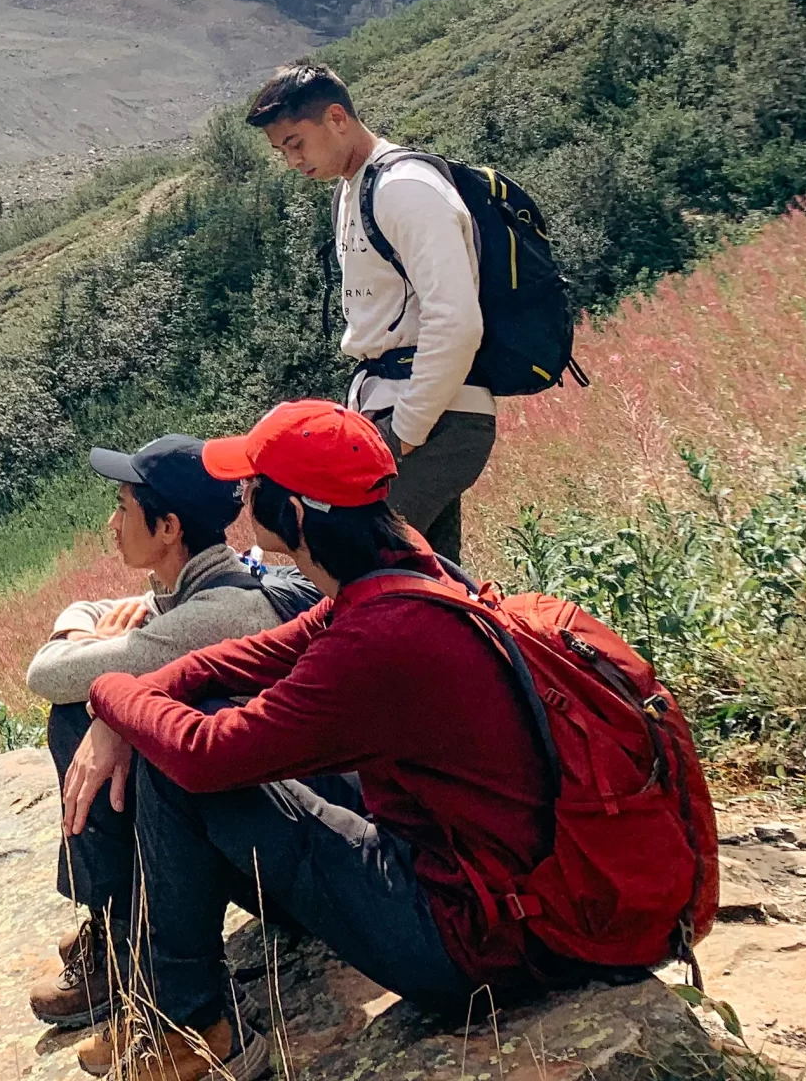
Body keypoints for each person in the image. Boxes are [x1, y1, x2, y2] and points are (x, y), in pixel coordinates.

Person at [62, 402, 573, 1081]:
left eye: (255, 487)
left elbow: (209, 757)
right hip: (476, 874)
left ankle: (188, 1025)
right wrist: (131, 698)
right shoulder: (402, 573)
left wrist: (111, 696)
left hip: (467, 942)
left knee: (176, 761)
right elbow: (245, 659)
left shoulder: (377, 640)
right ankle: (168, 1004)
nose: (242, 499)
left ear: (296, 517)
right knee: (175, 719)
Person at [23, 435, 281, 1029]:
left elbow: (47, 674)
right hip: (238, 834)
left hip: (269, 863)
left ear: (167, 528)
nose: (112, 523)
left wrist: (77, 644)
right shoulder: (189, 590)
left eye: (123, 507)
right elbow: (88, 606)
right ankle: (118, 932)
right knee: (102, 704)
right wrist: (84, 631)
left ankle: (124, 949)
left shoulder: (215, 615)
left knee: (79, 711)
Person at [245, 60, 495, 562]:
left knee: (351, 568)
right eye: (281, 151)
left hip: (436, 416)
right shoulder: (354, 188)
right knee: (426, 587)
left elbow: (456, 319)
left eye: (296, 143)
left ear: (337, 117)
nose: (292, 161)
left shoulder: (404, 187)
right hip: (407, 410)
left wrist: (404, 432)